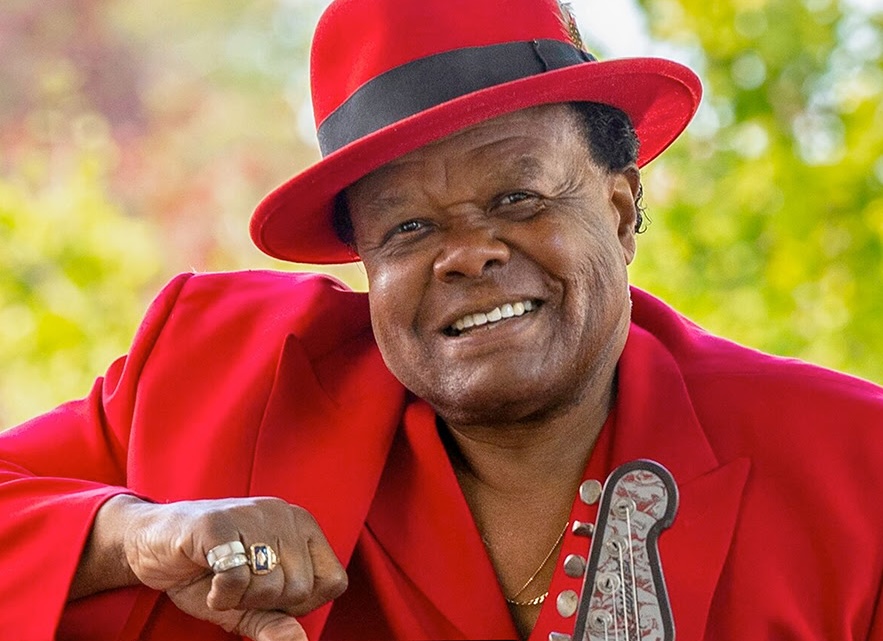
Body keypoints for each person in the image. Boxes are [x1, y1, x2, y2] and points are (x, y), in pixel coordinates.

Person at [1, 0, 882, 640]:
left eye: (516, 196)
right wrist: (137, 537)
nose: (465, 254)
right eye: (407, 228)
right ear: (364, 262)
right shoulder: (217, 374)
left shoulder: (854, 466)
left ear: (618, 213)